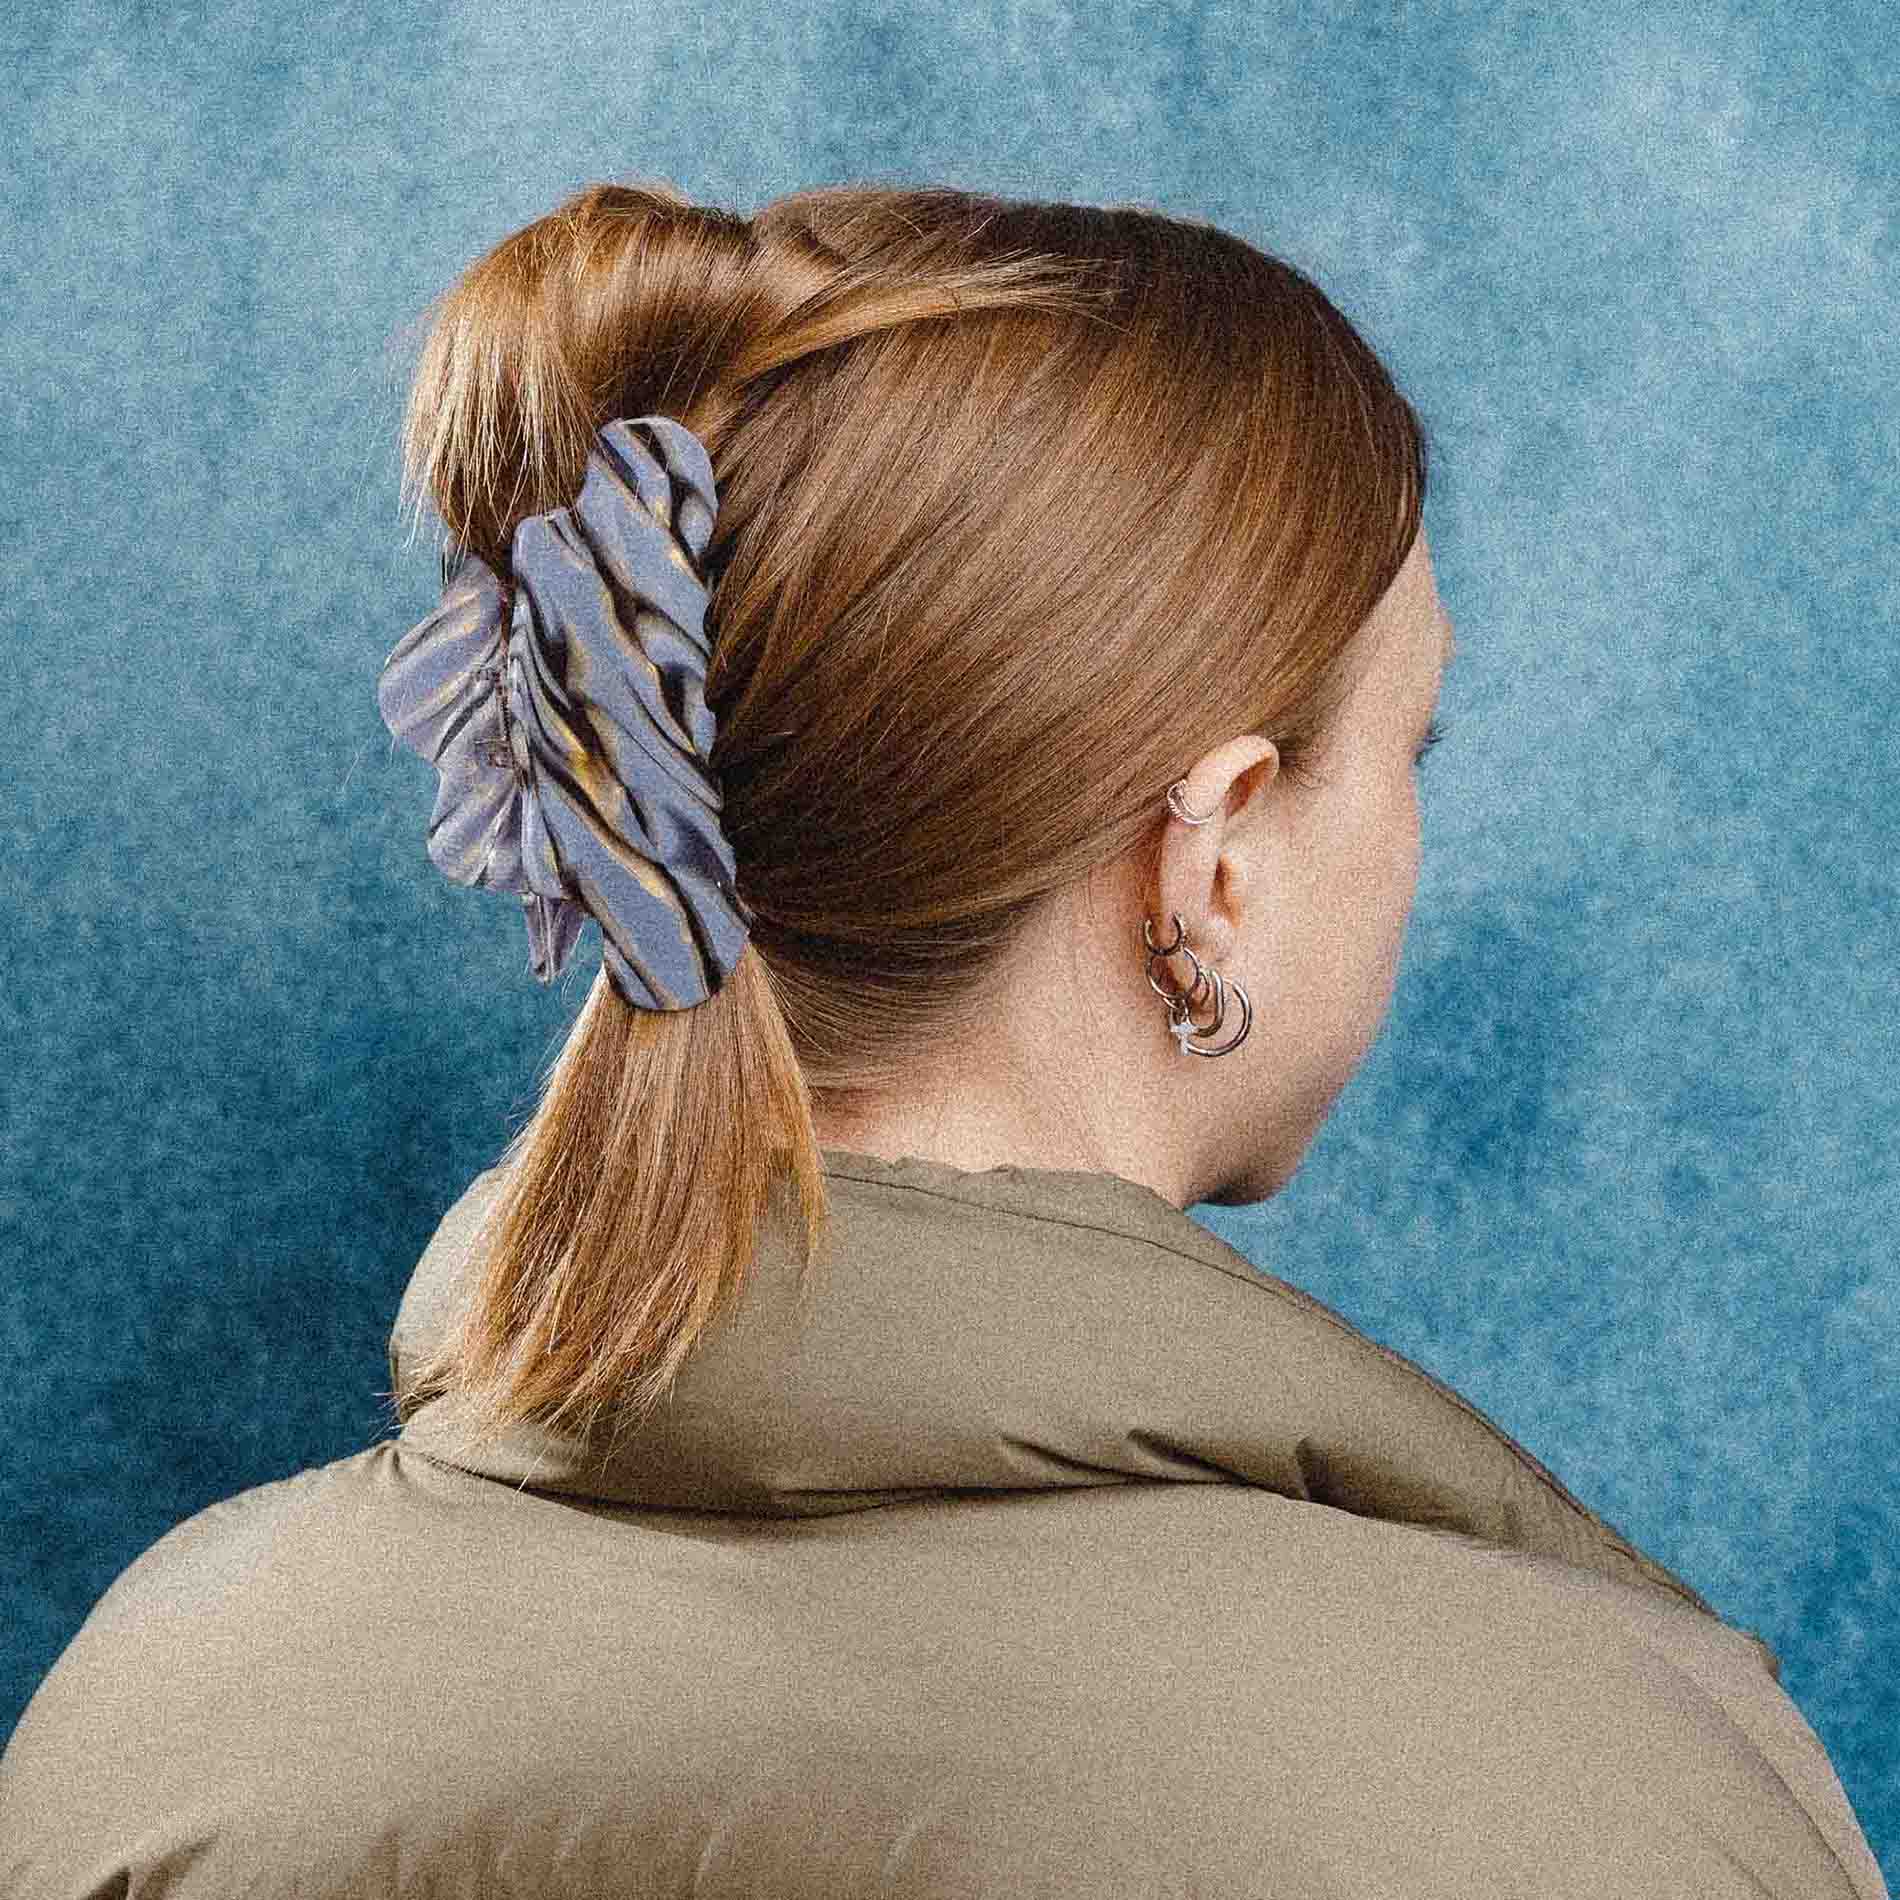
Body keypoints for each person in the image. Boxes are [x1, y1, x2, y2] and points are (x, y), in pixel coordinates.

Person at [0, 179, 1886, 1899]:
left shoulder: (155, 1707)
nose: (1413, 834)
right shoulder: (1585, 1791)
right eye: (1413, 747)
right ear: (1216, 854)